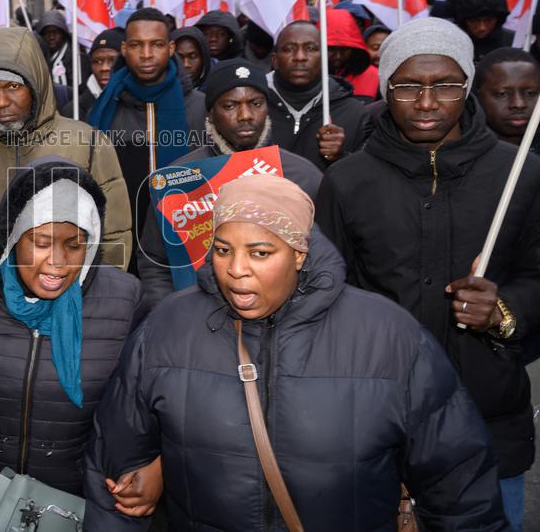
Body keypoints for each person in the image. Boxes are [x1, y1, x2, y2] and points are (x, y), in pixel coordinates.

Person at [86, 173, 508, 530]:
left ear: (300, 253)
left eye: (261, 252)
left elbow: (458, 483)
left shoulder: (390, 337)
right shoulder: (167, 327)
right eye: (222, 249)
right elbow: (116, 463)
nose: (236, 270)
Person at [316, 17, 539, 529]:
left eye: (445, 86)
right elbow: (324, 288)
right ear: (386, 86)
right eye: (409, 85)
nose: (426, 102)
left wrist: (504, 310)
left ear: (468, 88)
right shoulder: (348, 179)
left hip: (488, 418)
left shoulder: (521, 173)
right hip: (374, 414)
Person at [0, 160, 154, 522]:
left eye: (75, 245)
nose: (57, 262)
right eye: (41, 243)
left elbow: (154, 403)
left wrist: (156, 468)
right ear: (11, 235)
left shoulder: (126, 301)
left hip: (81, 506)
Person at [0, 27, 132, 271]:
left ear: (35, 85)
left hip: (73, 300)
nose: (0, 101)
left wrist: (96, 300)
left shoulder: (90, 145)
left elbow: (114, 236)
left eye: (12, 87)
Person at [137, 60, 323, 305]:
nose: (245, 116)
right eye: (230, 105)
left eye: (255, 104)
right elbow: (155, 262)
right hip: (197, 321)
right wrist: (173, 314)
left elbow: (323, 260)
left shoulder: (302, 175)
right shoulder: (179, 179)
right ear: (211, 114)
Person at [87, 7, 206, 275]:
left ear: (171, 48)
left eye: (157, 44)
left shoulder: (202, 107)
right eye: (137, 45)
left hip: (184, 246)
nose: (147, 54)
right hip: (120, 250)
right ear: (125, 49)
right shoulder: (106, 107)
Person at [266, 21, 371, 169]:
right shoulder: (253, 108)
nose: (300, 57)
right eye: (289, 49)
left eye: (311, 48)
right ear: (275, 61)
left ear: (324, 58)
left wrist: (340, 157)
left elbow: (367, 178)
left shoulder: (355, 114)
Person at [473, 47, 540, 152]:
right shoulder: (458, 155)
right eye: (502, 94)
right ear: (478, 96)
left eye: (530, 93)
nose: (519, 104)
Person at [61, 27, 125, 120]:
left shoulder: (139, 103)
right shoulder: (73, 111)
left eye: (112, 60)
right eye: (97, 61)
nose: (104, 68)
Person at [449, 0, 514, 61]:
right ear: (464, 20)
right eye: (473, 21)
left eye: (489, 20)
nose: (482, 27)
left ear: (498, 19)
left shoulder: (512, 43)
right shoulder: (451, 44)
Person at [324, 8, 379, 103]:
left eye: (345, 49)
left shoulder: (374, 76)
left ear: (355, 49)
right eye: (331, 49)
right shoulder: (306, 77)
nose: (337, 56)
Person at [38, 9, 91, 91]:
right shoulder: (39, 57)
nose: (51, 37)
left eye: (55, 32)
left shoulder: (77, 56)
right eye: (47, 33)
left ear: (63, 33)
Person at [171, 26, 211, 92]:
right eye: (179, 57)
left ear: (203, 58)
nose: (186, 64)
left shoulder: (217, 88)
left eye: (193, 57)